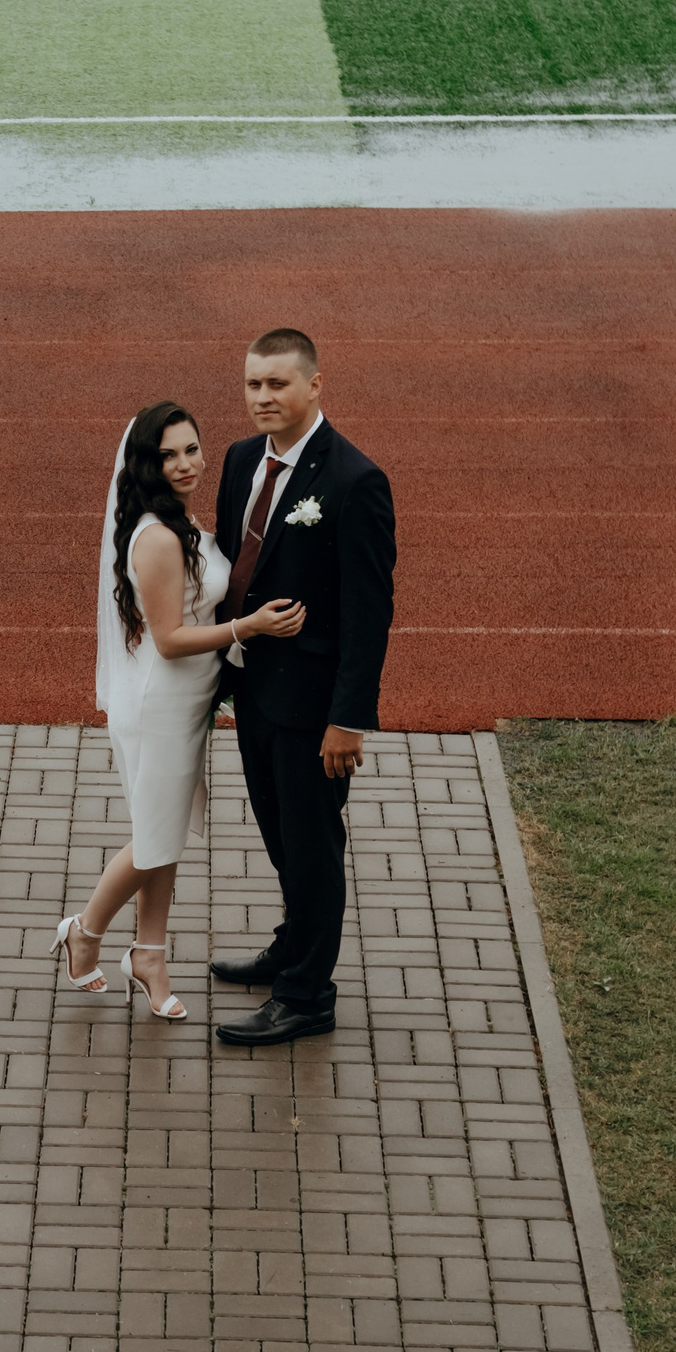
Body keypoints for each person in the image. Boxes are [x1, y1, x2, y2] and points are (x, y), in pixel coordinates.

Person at [55, 402, 303, 1018]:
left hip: (188, 705)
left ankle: (149, 953)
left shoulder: (182, 521)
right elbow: (169, 638)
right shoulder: (161, 538)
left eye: (191, 449)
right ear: (145, 464)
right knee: (153, 840)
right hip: (160, 705)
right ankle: (83, 935)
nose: (186, 463)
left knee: (163, 837)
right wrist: (248, 628)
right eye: (168, 455)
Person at [205, 328, 397, 1046]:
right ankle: (294, 945)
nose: (262, 397)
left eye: (278, 384)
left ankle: (308, 993)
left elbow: (369, 614)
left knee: (312, 846)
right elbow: (233, 569)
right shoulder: (238, 459)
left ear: (315, 385)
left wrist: (348, 720)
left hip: (314, 708)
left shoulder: (354, 482)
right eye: (253, 384)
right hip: (254, 693)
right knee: (280, 834)